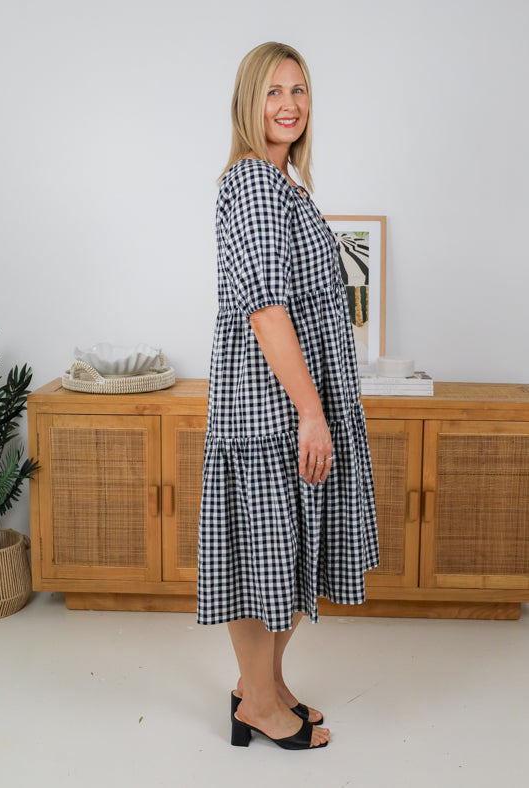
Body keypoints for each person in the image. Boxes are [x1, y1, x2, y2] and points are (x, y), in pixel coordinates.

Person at [197, 41, 379, 751]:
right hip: (268, 407)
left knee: (287, 551)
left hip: (295, 396)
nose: (289, 104)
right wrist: (310, 409)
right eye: (274, 91)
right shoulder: (252, 183)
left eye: (299, 90)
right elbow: (266, 310)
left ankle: (260, 687)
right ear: (249, 102)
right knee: (263, 557)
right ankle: (259, 706)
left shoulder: (286, 185)